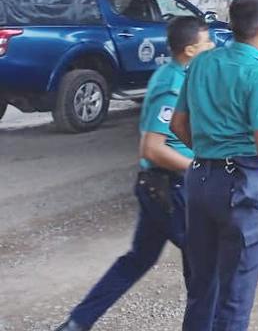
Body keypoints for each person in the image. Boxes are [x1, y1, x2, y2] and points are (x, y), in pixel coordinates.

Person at [56, 17, 213, 331]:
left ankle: (77, 323)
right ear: (191, 50)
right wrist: (202, 167)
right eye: (208, 42)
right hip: (172, 189)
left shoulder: (180, 74)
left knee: (140, 260)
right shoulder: (173, 85)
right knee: (208, 269)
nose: (213, 46)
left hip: (160, 187)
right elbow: (152, 149)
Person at [171, 0, 258, 329]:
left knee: (202, 286)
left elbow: (177, 125)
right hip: (239, 184)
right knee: (236, 293)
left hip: (199, 176)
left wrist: (210, 149)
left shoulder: (202, 62)